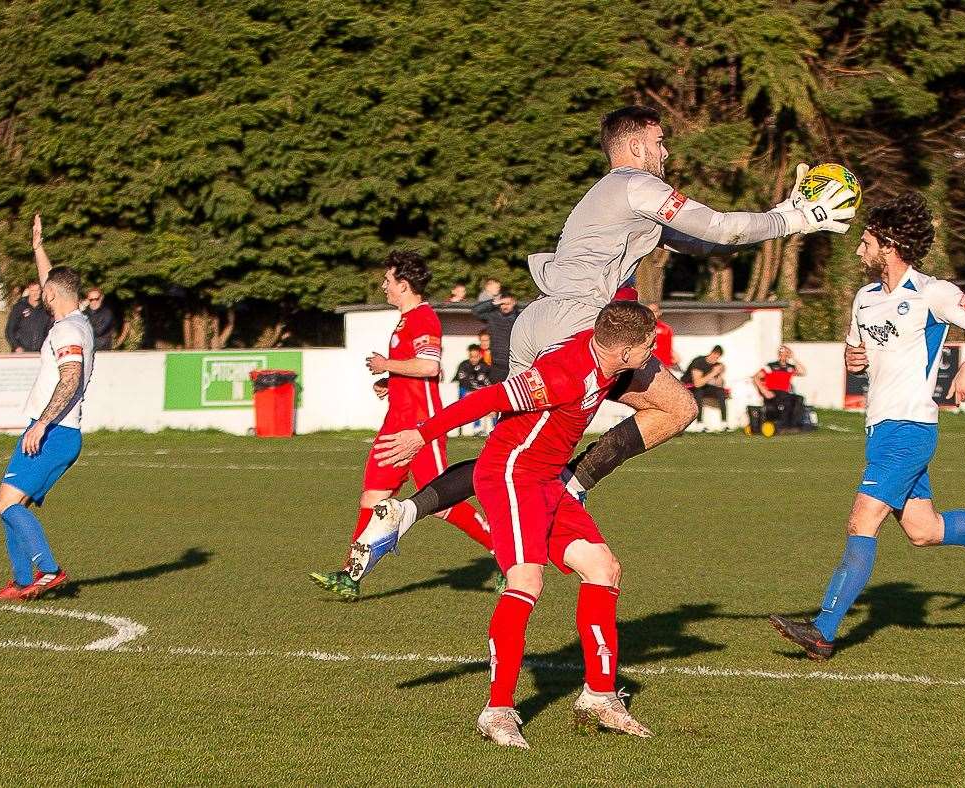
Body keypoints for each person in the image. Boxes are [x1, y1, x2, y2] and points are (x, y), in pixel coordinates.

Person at [352, 104, 855, 570]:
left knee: (508, 454)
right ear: (635, 147)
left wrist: (784, 219)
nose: (665, 152)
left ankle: (405, 512)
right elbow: (720, 226)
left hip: (542, 320)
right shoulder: (637, 184)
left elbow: (701, 241)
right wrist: (796, 216)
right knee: (676, 409)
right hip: (582, 324)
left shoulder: (610, 197)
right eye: (659, 142)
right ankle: (574, 484)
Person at [768, 193, 965, 661]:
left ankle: (823, 631)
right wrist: (851, 357)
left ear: (891, 244)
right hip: (880, 429)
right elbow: (854, 352)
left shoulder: (931, 292)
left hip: (911, 427)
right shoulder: (863, 298)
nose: (859, 250)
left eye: (866, 241)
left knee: (862, 519)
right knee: (924, 530)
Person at [372, 301, 660, 748]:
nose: (653, 350)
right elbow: (489, 398)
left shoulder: (603, 355)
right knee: (527, 579)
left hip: (547, 479)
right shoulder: (563, 375)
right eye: (648, 343)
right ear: (624, 351)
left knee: (604, 567)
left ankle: (600, 696)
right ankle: (498, 710)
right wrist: (420, 434)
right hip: (512, 475)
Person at [308, 251, 493, 600]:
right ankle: (351, 575)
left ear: (404, 285)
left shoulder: (424, 318)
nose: (383, 286)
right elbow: (415, 370)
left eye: (388, 281)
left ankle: (502, 550)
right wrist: (391, 380)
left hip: (420, 429)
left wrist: (386, 363)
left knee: (441, 502)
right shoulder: (406, 321)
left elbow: (428, 367)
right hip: (394, 425)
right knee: (372, 497)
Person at [0, 214, 95, 601]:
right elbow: (55, 284)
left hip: (54, 432)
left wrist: (42, 424)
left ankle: (48, 570)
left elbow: (71, 377)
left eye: (46, 292)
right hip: (57, 432)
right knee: (11, 503)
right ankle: (21, 581)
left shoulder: (67, 330)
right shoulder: (77, 319)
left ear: (50, 296)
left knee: (6, 503)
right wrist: (38, 248)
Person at [472, 288, 521, 384]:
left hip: (513, 364)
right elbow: (475, 311)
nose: (504, 306)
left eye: (507, 304)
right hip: (496, 364)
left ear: (514, 303)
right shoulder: (493, 316)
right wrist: (494, 302)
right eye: (502, 304)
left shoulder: (519, 318)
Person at [753, 345, 807, 429]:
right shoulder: (771, 366)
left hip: (784, 393)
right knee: (785, 401)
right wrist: (764, 391)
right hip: (773, 392)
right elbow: (756, 377)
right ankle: (782, 424)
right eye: (781, 353)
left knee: (799, 399)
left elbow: (803, 372)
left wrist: (794, 358)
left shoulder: (790, 367)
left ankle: (793, 424)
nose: (783, 355)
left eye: (786, 353)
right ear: (779, 354)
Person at [453, 343, 494, 436]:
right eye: (472, 356)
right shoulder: (464, 365)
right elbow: (463, 381)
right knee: (469, 397)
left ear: (480, 355)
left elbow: (490, 383)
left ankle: (491, 428)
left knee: (491, 402)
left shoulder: (485, 367)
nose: (473, 359)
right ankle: (475, 428)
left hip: (480, 393)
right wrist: (472, 391)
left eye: (476, 356)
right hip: (466, 391)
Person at [681, 345, 727, 423]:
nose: (715, 359)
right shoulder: (698, 362)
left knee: (720, 391)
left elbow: (720, 384)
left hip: (703, 386)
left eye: (717, 358)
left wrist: (720, 372)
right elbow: (697, 384)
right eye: (715, 356)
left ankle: (724, 422)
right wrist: (713, 373)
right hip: (688, 387)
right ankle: (699, 422)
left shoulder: (716, 364)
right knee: (699, 391)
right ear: (712, 353)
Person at [4, 282, 52, 353]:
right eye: (33, 290)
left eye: (37, 290)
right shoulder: (19, 307)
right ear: (28, 290)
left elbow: (49, 330)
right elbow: (9, 330)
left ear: (41, 290)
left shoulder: (45, 309)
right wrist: (16, 346)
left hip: (40, 353)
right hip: (21, 353)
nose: (35, 293)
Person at [647, 302, 676, 369]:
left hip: (662, 364)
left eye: (654, 311)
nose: (651, 314)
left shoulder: (666, 329)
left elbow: (668, 347)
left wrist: (668, 363)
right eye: (648, 311)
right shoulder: (640, 328)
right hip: (644, 363)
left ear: (659, 313)